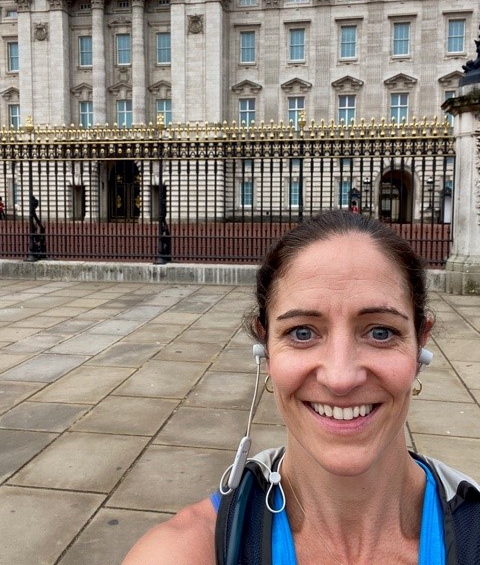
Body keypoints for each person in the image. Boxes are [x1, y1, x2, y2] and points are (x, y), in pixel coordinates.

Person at [122, 210, 480, 565]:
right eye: (302, 333)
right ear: (265, 350)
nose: (340, 378)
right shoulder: (187, 551)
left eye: (380, 332)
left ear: (420, 347)